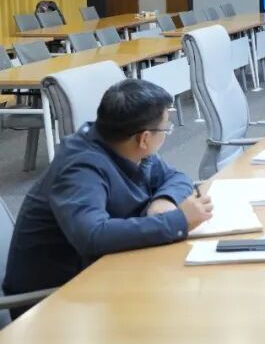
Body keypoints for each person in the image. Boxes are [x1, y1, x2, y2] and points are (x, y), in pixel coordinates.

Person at [3, 79, 213, 318]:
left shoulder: (122, 141)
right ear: (144, 138)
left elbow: (176, 177)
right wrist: (178, 221)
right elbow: (92, 235)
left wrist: (164, 200)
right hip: (54, 303)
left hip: (101, 272)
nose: (166, 134)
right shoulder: (80, 169)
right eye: (166, 129)